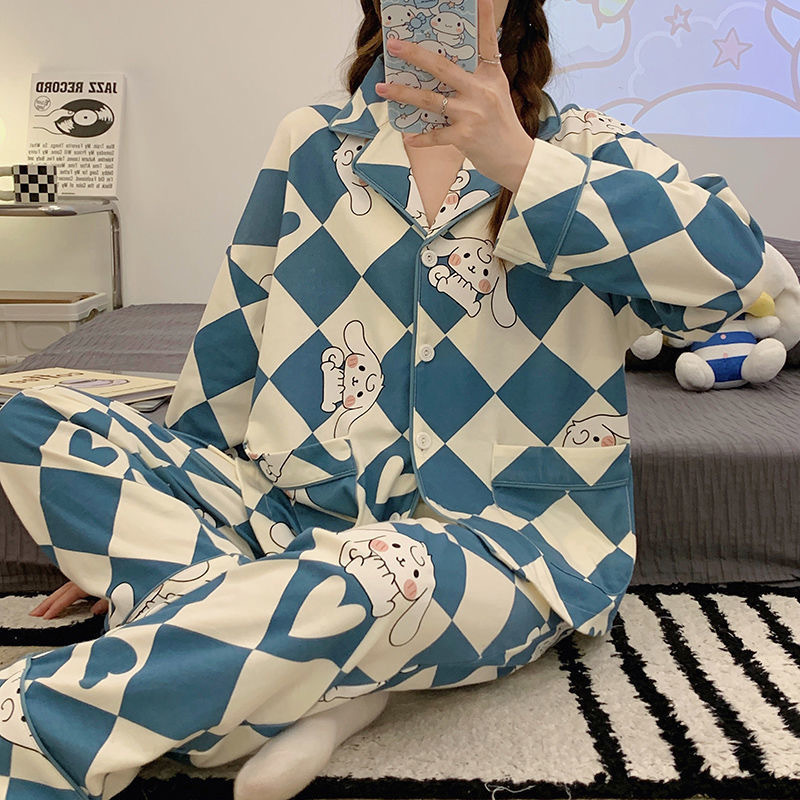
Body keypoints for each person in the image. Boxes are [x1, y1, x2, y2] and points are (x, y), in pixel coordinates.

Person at [0, 0, 774, 797]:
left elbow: (744, 279)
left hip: (509, 540)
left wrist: (518, 162)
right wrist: (166, 512)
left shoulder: (583, 150)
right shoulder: (312, 141)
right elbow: (237, 330)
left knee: (376, 572)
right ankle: (313, 666)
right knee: (31, 417)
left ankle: (39, 726)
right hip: (290, 512)